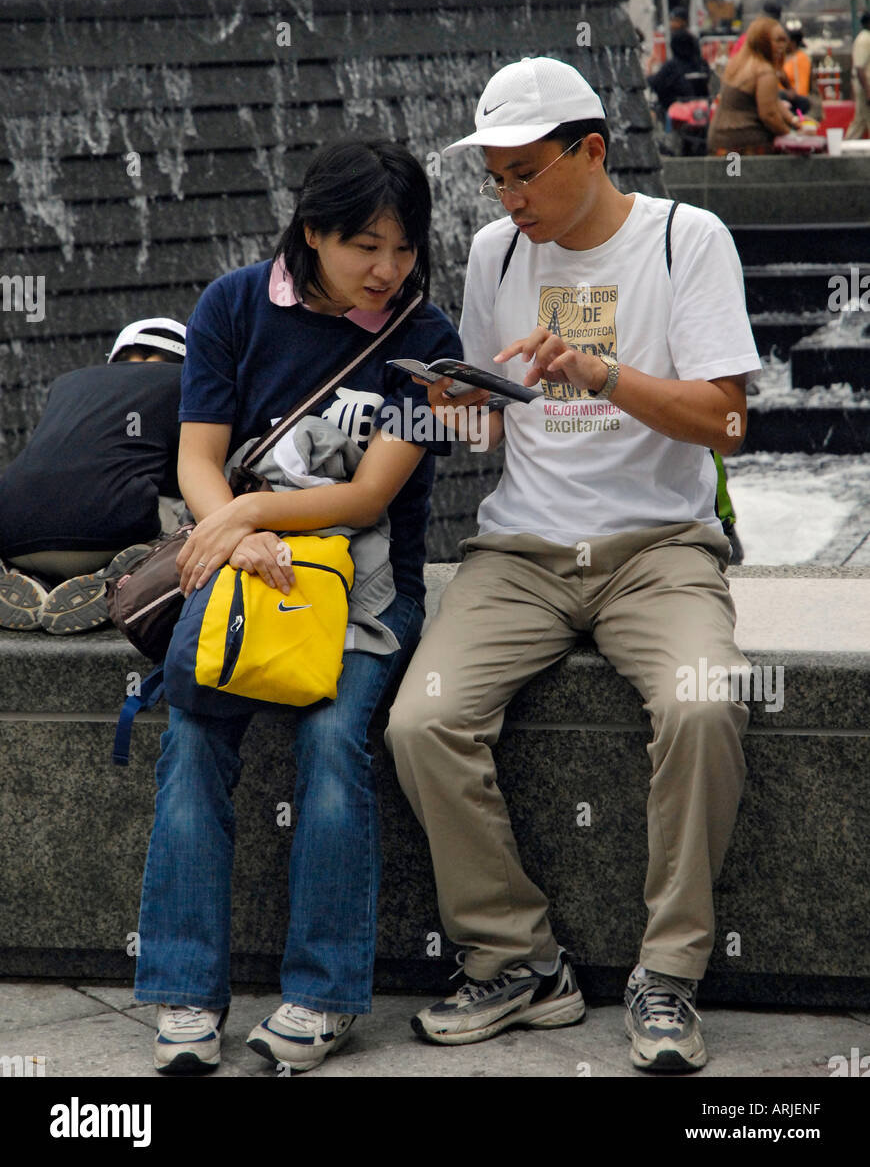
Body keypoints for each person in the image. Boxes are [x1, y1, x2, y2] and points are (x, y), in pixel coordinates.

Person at [385, 56, 762, 1073]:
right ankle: (517, 961)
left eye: (524, 174)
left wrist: (602, 371)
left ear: (591, 151)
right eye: (494, 179)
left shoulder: (687, 240)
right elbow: (496, 424)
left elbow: (727, 418)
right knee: (421, 722)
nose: (508, 200)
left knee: (704, 700)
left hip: (659, 548)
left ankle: (669, 974)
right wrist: (458, 409)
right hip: (522, 548)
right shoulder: (496, 256)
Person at [134, 139, 462, 1075]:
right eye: (365, 245)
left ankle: (323, 993)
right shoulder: (235, 305)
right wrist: (237, 535)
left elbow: (368, 500)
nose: (387, 270)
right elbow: (200, 459)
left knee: (330, 737)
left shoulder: (428, 339)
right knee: (193, 728)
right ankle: (184, 990)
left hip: (366, 590)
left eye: (404, 249)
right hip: (246, 573)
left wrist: (253, 511)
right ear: (312, 233)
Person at [0, 318, 187, 634]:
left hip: (12, 534)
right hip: (107, 534)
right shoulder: (184, 382)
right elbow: (192, 474)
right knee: (193, 524)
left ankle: (25, 577)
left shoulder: (67, 383)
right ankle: (123, 576)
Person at [707, 17, 797, 155]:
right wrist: (792, 135)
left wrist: (794, 120)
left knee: (731, 177)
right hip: (743, 146)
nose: (783, 46)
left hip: (722, 142)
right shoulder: (764, 71)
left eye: (784, 40)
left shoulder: (740, 62)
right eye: (778, 40)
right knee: (739, 177)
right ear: (763, 41)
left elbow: (772, 100)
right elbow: (769, 115)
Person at [646, 28, 711, 116]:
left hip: (676, 109)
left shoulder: (671, 66)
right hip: (701, 109)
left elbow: (655, 83)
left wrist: (649, 68)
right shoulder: (702, 64)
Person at [845, 9, 870, 141]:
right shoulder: (864, 39)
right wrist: (867, 91)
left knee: (860, 121)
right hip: (865, 87)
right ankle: (845, 149)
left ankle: (845, 148)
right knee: (861, 120)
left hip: (865, 87)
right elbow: (859, 68)